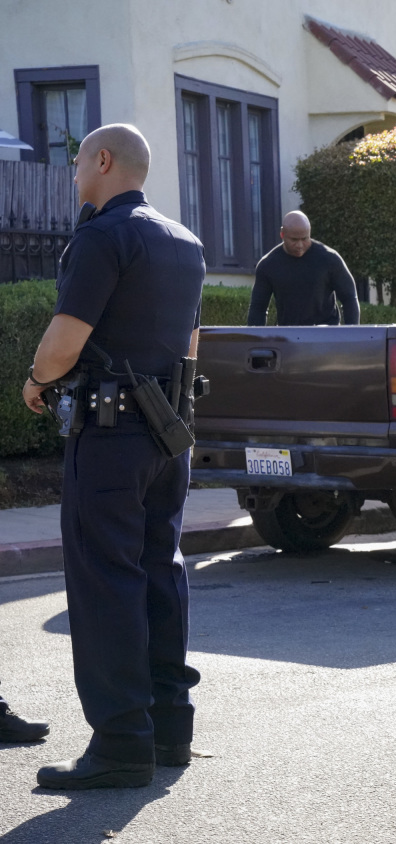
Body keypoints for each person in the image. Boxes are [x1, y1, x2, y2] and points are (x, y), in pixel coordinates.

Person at [21, 123, 205, 788]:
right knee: (161, 572)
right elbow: (191, 344)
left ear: (103, 161)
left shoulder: (102, 236)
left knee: (105, 584)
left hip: (108, 439)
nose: (74, 175)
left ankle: (122, 744)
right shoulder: (185, 242)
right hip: (167, 433)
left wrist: (35, 381)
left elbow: (63, 345)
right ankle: (169, 730)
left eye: (78, 163)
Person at [246, 210, 360, 327]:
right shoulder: (268, 265)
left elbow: (349, 298)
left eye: (305, 239)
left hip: (326, 332)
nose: (300, 245)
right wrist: (254, 336)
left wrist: (351, 333)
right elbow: (258, 307)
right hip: (289, 333)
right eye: (294, 240)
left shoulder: (329, 259)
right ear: (282, 235)